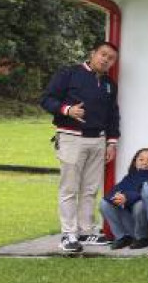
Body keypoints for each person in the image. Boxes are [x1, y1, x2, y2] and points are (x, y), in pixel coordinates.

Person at [40, 41, 120, 253]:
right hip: (71, 137)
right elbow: (46, 99)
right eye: (103, 55)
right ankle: (68, 234)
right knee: (69, 188)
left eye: (111, 58)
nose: (106, 60)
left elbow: (113, 114)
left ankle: (86, 231)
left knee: (91, 188)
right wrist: (67, 110)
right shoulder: (69, 73)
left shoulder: (110, 84)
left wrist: (112, 141)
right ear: (92, 53)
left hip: (98, 140)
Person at [98, 148, 148, 250]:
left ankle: (143, 238)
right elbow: (112, 193)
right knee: (104, 203)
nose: (145, 163)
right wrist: (117, 198)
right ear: (135, 162)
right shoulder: (129, 177)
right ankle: (122, 237)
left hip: (144, 224)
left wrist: (127, 197)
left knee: (140, 205)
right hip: (130, 222)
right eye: (141, 160)